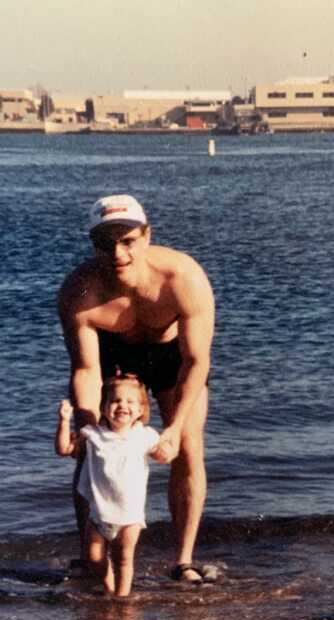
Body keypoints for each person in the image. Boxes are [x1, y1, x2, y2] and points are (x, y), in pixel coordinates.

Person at [58, 194, 215, 583]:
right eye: (105, 243)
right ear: (93, 244)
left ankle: (184, 562)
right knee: (92, 449)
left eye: (127, 241)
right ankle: (91, 559)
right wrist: (84, 421)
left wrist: (174, 429)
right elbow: (84, 368)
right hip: (112, 359)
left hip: (171, 357)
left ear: (147, 236)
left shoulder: (184, 278)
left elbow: (197, 361)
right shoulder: (80, 291)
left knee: (189, 447)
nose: (118, 253)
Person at [55, 374, 162, 596]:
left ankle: (122, 600)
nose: (122, 405)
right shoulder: (93, 434)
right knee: (94, 557)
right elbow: (64, 449)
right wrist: (64, 421)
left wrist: (171, 441)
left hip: (129, 515)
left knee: (124, 559)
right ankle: (109, 586)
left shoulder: (145, 436)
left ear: (142, 410)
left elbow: (165, 455)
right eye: (115, 401)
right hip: (99, 514)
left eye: (130, 401)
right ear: (103, 408)